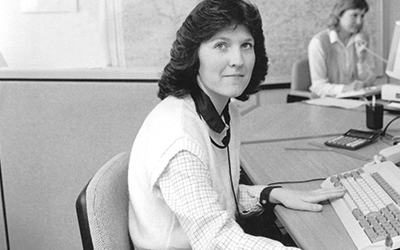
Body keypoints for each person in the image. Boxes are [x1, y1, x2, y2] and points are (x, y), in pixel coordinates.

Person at [127, 0, 346, 249]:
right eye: (221, 45)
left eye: (246, 45)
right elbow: (216, 240)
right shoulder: (179, 137)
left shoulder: (225, 109)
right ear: (194, 54)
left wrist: (271, 194)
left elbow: (216, 195)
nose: (238, 60)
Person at [308, 0, 377, 97]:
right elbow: (318, 86)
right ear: (339, 15)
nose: (359, 22)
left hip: (357, 100)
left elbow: (369, 82)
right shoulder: (319, 42)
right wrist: (345, 88)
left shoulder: (363, 39)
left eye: (362, 16)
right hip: (330, 103)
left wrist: (361, 60)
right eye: (354, 15)